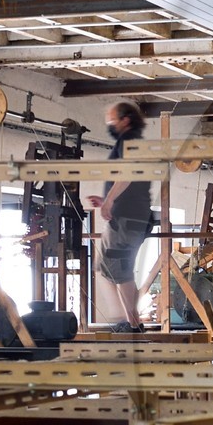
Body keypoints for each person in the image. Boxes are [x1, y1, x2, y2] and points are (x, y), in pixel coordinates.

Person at [86, 102, 152, 332]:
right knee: (107, 265)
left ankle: (130, 322)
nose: (109, 124)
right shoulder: (129, 142)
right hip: (126, 216)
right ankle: (128, 320)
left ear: (125, 120)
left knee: (117, 266)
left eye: (111, 120)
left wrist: (111, 200)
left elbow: (129, 173)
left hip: (127, 218)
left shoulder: (129, 141)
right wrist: (107, 201)